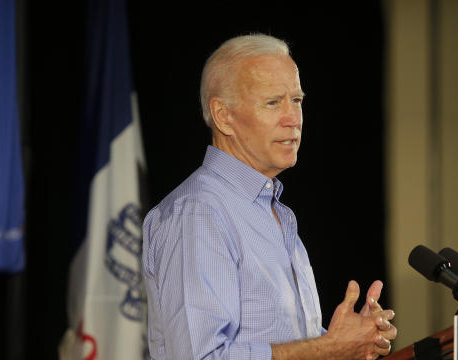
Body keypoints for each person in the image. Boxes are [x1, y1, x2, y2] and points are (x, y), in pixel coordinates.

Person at [142, 33, 397, 360]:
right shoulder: (199, 213)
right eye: (273, 102)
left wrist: (349, 342)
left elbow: (276, 342)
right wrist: (327, 348)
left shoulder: (274, 213)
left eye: (297, 101)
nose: (293, 120)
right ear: (223, 116)